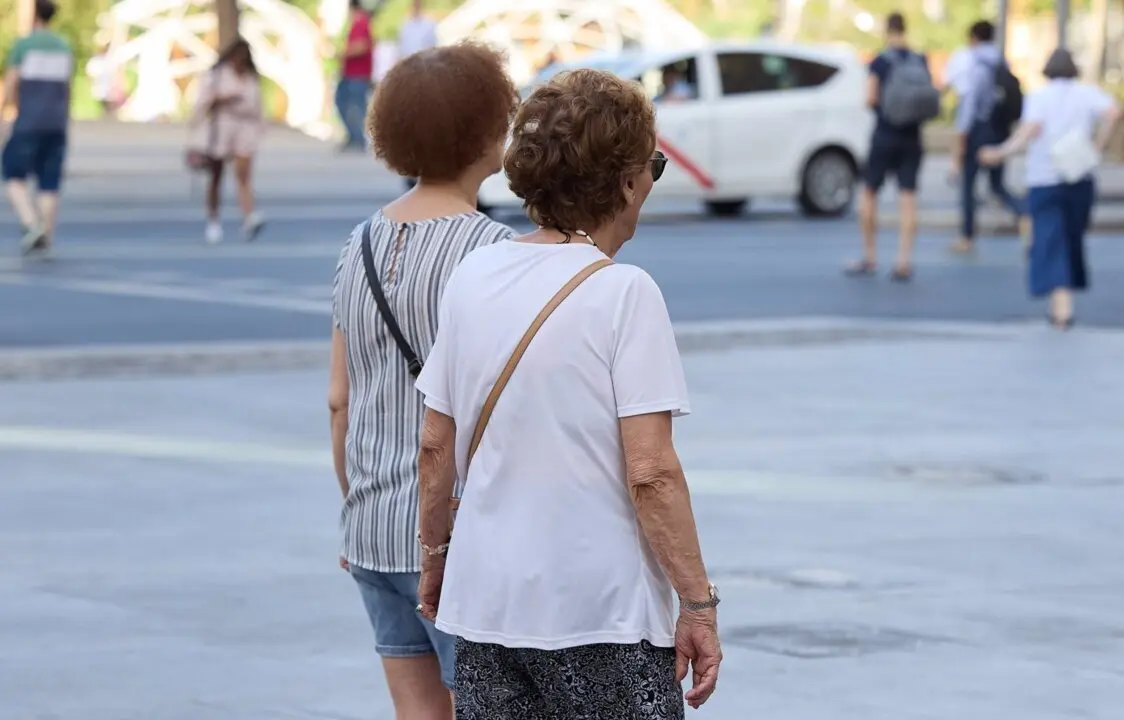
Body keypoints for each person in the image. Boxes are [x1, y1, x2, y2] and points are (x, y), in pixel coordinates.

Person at [414, 68, 722, 719]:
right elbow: (652, 472)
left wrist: (437, 553)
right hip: (600, 615)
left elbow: (434, 446)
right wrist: (696, 603)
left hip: (487, 607)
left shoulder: (474, 275)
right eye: (653, 168)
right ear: (628, 180)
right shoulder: (624, 292)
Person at [328, 41, 519, 719]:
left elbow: (338, 400)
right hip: (454, 538)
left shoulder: (359, 243)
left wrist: (358, 508)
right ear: (489, 133)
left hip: (372, 530)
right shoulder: (495, 252)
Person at [979, 48, 1120, 328]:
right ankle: (1061, 305)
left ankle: (1062, 306)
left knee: (1049, 240)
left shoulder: (1040, 97)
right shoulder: (1086, 93)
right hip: (1079, 175)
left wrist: (1001, 152)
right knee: (1070, 238)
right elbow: (1114, 113)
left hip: (1045, 177)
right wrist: (1097, 146)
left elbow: (1029, 131)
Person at [848, 12, 934, 281]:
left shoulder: (880, 62)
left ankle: (870, 256)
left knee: (869, 194)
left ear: (887, 31)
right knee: (908, 199)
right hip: (912, 138)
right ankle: (903, 261)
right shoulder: (919, 59)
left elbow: (871, 97)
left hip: (885, 135)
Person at [1, 0, 71, 259]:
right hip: (56, 121)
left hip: (29, 120)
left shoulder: (24, 46)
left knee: (12, 172)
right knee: (49, 181)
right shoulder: (63, 46)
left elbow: (10, 83)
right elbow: (67, 88)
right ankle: (47, 235)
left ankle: (31, 222)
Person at [950, 20, 1027, 254]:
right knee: (997, 186)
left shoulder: (977, 64)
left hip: (979, 132)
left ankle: (967, 236)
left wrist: (960, 140)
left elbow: (969, 105)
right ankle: (1024, 211)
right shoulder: (1001, 61)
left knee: (968, 185)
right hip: (1001, 130)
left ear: (973, 37)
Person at [188, 37, 265, 245]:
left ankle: (249, 216)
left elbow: (256, 106)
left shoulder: (250, 78)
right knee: (216, 176)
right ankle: (213, 220)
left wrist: (259, 129)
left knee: (243, 174)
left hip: (245, 129)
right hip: (221, 129)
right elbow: (204, 102)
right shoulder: (218, 75)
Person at [398, 0, 438, 190]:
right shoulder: (405, 26)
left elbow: (433, 50)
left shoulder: (429, 25)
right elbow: (401, 51)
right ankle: (411, 170)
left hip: (425, 75)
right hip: (409, 76)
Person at [337, 0, 373, 151]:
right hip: (350, 73)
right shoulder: (357, 23)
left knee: (356, 107)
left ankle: (359, 138)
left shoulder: (361, 22)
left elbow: (362, 46)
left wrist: (344, 53)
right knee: (342, 102)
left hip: (358, 73)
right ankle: (353, 136)